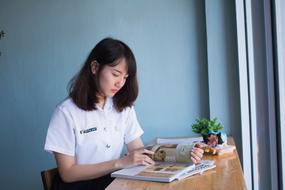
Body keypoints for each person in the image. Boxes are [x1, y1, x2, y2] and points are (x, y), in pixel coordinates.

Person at [44, 37, 204, 190]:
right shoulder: (66, 112)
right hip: (79, 186)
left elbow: (139, 151)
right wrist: (120, 163)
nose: (120, 83)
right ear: (94, 67)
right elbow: (67, 173)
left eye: (125, 77)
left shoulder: (123, 107)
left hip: (114, 180)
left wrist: (183, 153)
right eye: (115, 74)